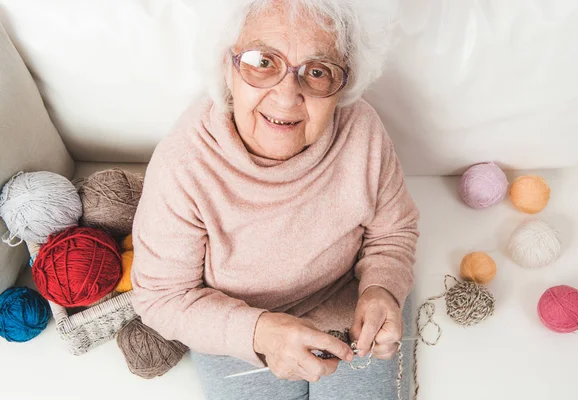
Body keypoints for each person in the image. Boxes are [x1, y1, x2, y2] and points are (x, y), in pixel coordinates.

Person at [130, 0, 419, 398]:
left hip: (349, 309)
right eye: (262, 61)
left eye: (317, 72)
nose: (286, 98)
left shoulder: (362, 131)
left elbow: (394, 230)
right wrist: (259, 332)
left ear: (344, 84)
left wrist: (382, 289)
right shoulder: (184, 163)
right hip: (235, 328)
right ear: (227, 67)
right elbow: (161, 297)